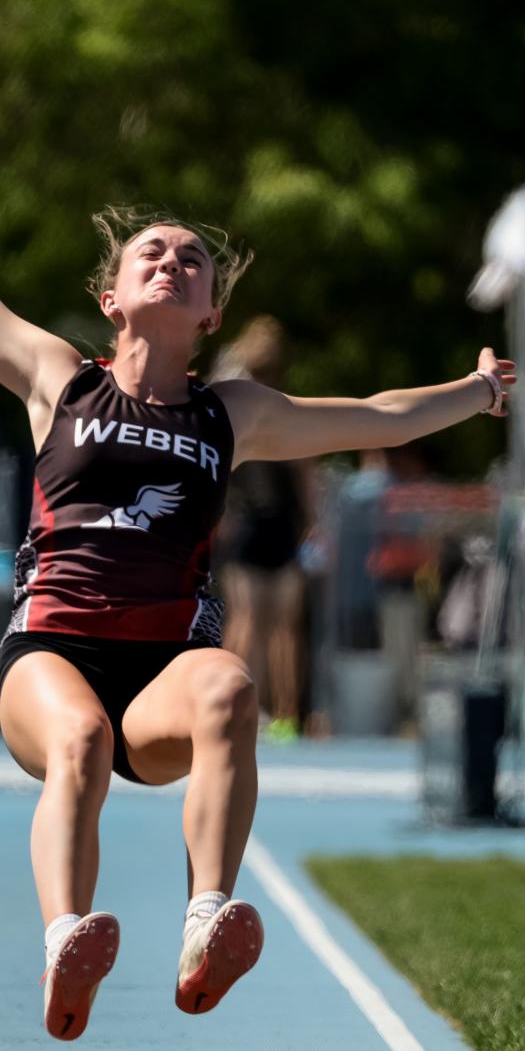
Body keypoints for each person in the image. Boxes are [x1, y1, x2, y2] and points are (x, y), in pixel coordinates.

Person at [0, 81, 514, 1041]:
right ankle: (66, 941)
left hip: (163, 667)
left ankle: (206, 920)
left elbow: (370, 415)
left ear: (206, 315)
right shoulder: (55, 378)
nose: (175, 259)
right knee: (79, 744)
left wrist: (476, 392)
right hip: (51, 652)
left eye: (193, 260)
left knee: (233, 689)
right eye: (151, 251)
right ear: (112, 298)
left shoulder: (229, 413)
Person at [211, 318, 314, 743]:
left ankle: (274, 710)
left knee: (263, 622)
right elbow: (305, 467)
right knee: (264, 622)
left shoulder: (246, 402)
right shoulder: (255, 401)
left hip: (263, 522)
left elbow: (305, 468)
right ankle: (255, 707)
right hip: (260, 521)